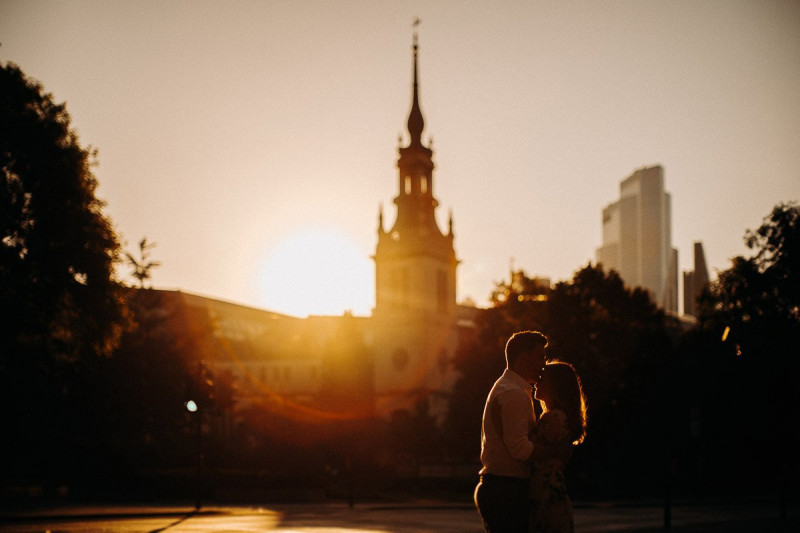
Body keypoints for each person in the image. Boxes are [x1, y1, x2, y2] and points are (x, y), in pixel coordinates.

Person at [474, 330, 549, 533]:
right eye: (540, 357)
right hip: (506, 490)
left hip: (500, 488)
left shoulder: (511, 388)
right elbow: (520, 450)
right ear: (524, 358)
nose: (544, 364)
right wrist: (554, 451)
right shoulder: (513, 393)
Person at [528, 361, 588, 533]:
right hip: (549, 495)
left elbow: (526, 450)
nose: (537, 382)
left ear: (556, 386)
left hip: (546, 498)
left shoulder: (554, 417)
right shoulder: (559, 416)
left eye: (542, 379)